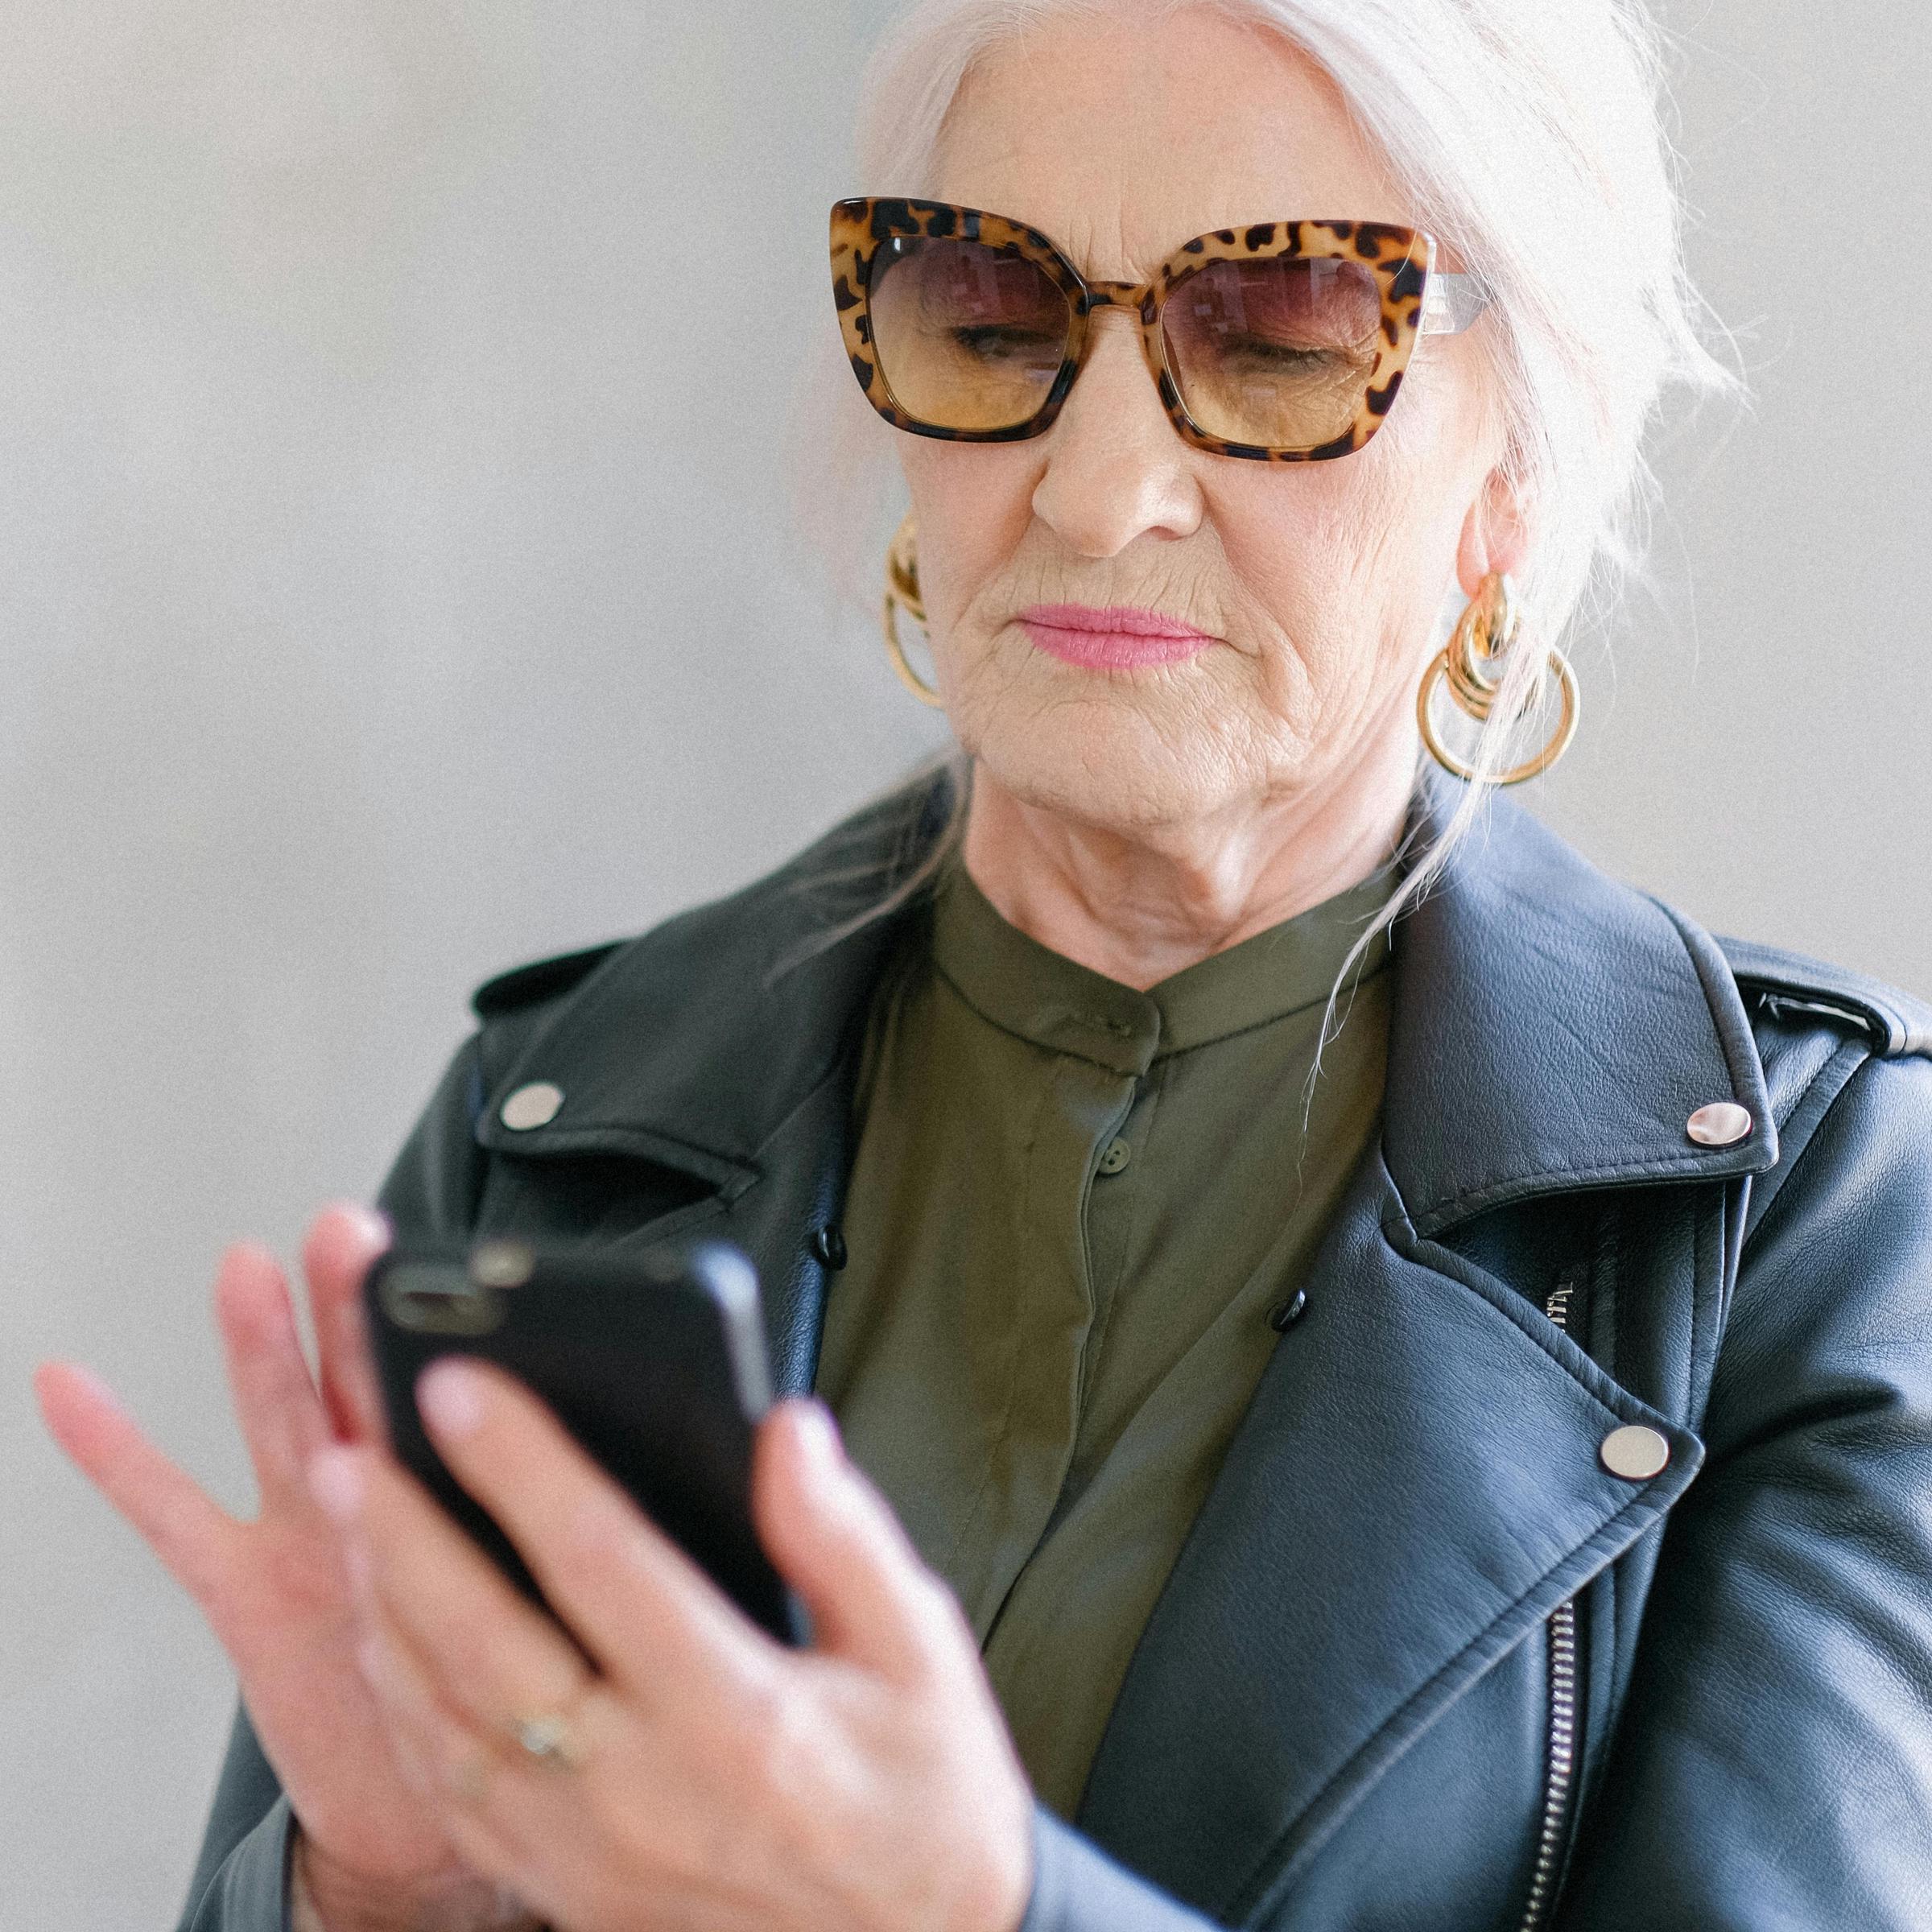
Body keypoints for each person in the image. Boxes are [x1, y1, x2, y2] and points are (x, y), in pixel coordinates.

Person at [33, 1, 1932, 1927]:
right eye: (993, 314)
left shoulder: (1818, 1219)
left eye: (1279, 337)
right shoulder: (569, 1113)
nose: (1096, 490)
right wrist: (378, 1890)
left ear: (1515, 470)